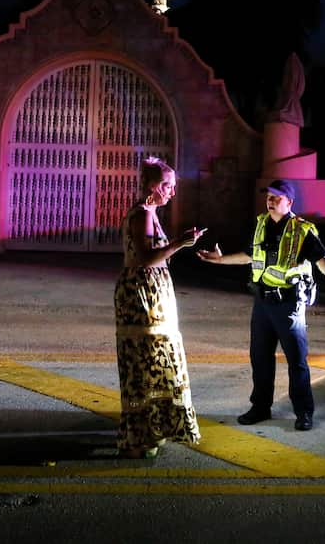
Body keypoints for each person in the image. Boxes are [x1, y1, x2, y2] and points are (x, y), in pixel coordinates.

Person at [196, 178, 325, 431]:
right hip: (262, 304)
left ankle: (304, 412)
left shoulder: (302, 230)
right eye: (269, 196)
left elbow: (321, 260)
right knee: (260, 358)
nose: (271, 200)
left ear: (290, 202)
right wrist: (218, 261)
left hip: (289, 305)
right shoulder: (260, 224)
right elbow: (249, 256)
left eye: (277, 197)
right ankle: (260, 408)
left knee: (296, 361)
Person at [114, 156, 207, 458]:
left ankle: (153, 429)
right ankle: (139, 438)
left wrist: (182, 244)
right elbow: (144, 259)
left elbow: (156, 256)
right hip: (141, 297)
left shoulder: (151, 212)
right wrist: (180, 243)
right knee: (145, 363)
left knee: (156, 362)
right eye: (169, 186)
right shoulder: (142, 214)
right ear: (154, 186)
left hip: (153, 295)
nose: (172, 192)